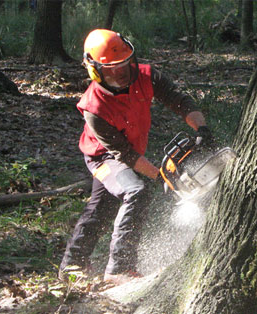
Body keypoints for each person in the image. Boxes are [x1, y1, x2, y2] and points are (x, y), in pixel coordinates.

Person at [59, 29, 212, 284]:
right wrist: (163, 177)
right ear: (95, 70)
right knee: (136, 191)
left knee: (101, 208)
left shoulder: (146, 76)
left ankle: (71, 265)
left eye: (123, 64)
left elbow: (178, 100)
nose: (120, 72)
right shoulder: (93, 108)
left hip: (129, 151)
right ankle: (119, 268)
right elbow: (124, 155)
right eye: (111, 68)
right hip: (102, 157)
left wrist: (202, 128)